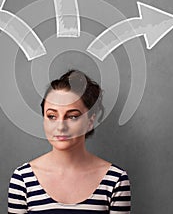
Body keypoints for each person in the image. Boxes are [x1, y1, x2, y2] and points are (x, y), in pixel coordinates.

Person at [8, 69, 131, 213]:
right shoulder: (22, 179)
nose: (60, 126)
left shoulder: (115, 180)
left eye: (72, 116)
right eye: (52, 116)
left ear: (90, 121)